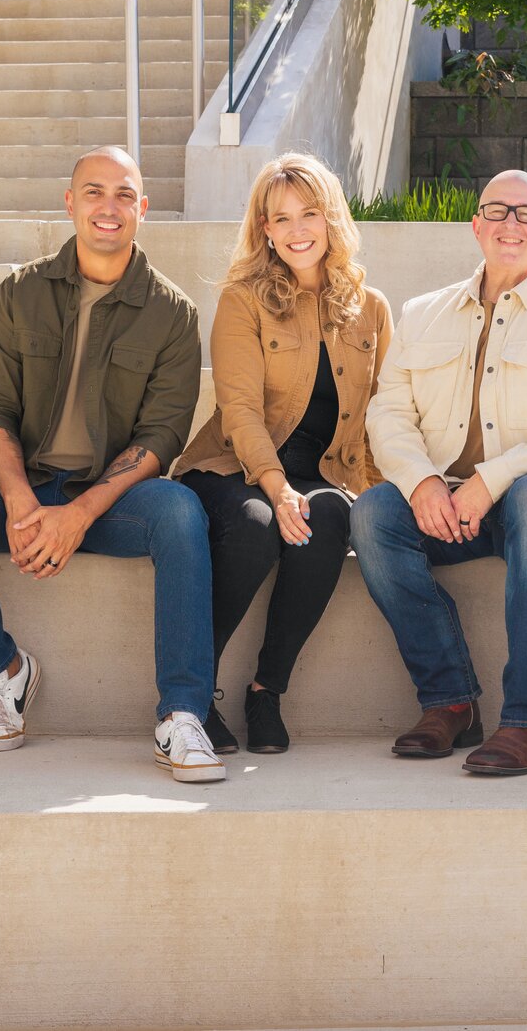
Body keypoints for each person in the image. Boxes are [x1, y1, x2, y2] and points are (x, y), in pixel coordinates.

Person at [0, 146, 226, 782]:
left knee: (182, 512)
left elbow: (162, 435)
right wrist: (20, 500)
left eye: (124, 194)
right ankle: (3, 672)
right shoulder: (20, 293)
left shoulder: (172, 313)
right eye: (94, 192)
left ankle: (183, 715)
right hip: (21, 487)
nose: (109, 207)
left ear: (143, 210)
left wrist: (76, 515)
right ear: (70, 204)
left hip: (108, 503)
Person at [351, 169, 527, 776]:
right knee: (373, 514)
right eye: (497, 211)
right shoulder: (423, 313)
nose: (511, 225)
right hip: (457, 502)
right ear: (475, 225)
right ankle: (450, 701)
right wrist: (422, 481)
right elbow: (389, 413)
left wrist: (492, 478)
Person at [174, 153, 391, 755]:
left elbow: (377, 416)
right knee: (255, 527)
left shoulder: (370, 309)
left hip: (322, 476)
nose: (298, 229)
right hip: (233, 467)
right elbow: (239, 408)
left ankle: (266, 692)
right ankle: (189, 696)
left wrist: (379, 498)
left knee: (331, 521)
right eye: (282, 217)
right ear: (264, 229)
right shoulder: (243, 299)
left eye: (310, 213)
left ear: (331, 219)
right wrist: (274, 484)